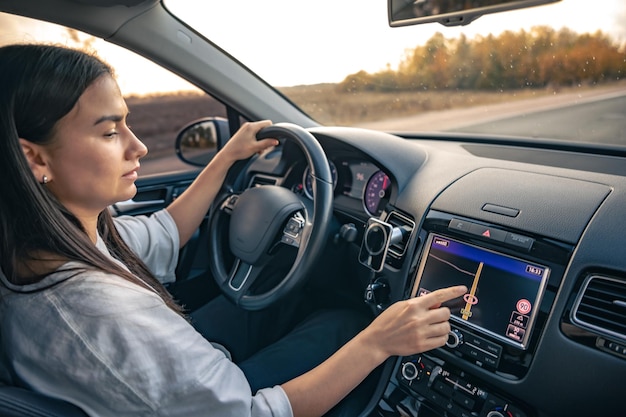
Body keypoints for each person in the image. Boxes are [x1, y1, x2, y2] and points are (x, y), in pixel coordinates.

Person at [0, 43, 467, 417]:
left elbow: (165, 232)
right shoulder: (100, 314)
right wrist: (378, 340)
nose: (138, 147)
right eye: (109, 132)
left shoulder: (52, 241)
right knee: (347, 322)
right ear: (35, 158)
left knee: (282, 297)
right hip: (219, 398)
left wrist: (226, 157)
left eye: (129, 125)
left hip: (183, 374)